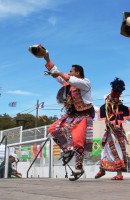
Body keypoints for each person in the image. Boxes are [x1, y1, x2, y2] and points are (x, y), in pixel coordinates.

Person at [31, 45, 95, 181]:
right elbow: (56, 71)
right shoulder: (68, 83)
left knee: (78, 141)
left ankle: (79, 167)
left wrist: (60, 74)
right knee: (53, 129)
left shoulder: (85, 83)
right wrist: (47, 57)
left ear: (77, 73)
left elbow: (67, 78)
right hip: (71, 116)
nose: (69, 72)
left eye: (71, 71)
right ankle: (67, 151)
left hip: (83, 115)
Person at [95, 78, 130, 180]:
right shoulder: (106, 108)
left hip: (117, 134)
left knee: (116, 151)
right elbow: (97, 109)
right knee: (105, 151)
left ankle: (119, 174)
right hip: (109, 133)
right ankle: (102, 170)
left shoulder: (120, 108)